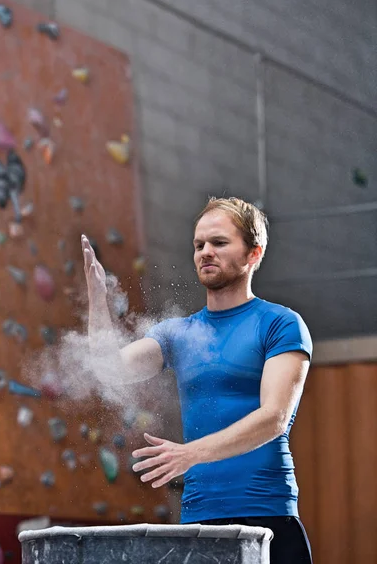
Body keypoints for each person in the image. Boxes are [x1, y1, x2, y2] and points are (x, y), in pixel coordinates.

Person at [81, 196, 313, 564]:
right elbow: (107, 368)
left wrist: (189, 454)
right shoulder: (178, 333)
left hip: (266, 518)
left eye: (219, 243)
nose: (205, 252)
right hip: (199, 521)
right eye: (199, 245)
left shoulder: (280, 323)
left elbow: (274, 417)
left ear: (254, 253)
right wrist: (96, 299)